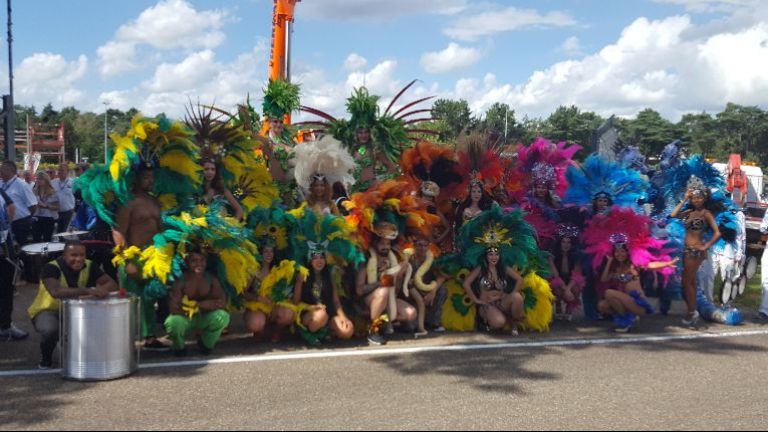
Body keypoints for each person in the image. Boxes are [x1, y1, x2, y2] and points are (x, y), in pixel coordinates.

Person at [29, 240, 117, 368]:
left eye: (82, 255)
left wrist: (104, 289)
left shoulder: (90, 265)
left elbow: (112, 284)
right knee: (50, 330)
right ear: (64, 256)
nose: (79, 259)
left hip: (77, 310)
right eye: (74, 255)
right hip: (48, 310)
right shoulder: (50, 268)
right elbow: (56, 292)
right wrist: (89, 291)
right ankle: (46, 358)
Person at [113, 166, 166, 349]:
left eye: (152, 178)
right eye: (146, 178)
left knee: (149, 298)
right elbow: (118, 232)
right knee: (131, 298)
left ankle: (149, 337)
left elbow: (160, 229)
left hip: (152, 257)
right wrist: (127, 261)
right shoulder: (128, 202)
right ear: (135, 180)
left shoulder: (154, 201)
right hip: (132, 257)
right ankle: (125, 340)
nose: (150, 181)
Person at [671, 180, 721, 326]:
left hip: (695, 252)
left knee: (687, 282)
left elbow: (717, 233)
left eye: (699, 198)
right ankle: (692, 312)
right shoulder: (688, 212)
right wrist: (685, 198)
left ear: (704, 199)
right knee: (690, 282)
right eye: (694, 198)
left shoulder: (706, 213)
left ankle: (691, 313)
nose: (696, 200)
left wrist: (706, 246)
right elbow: (673, 215)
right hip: (687, 251)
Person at [597, 243, 677, 332]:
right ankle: (629, 319)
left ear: (627, 253)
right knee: (602, 305)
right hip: (625, 300)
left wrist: (666, 264)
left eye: (622, 251)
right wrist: (609, 261)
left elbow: (650, 265)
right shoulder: (615, 269)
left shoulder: (633, 265)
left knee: (609, 293)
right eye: (617, 252)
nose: (620, 254)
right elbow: (604, 279)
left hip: (637, 304)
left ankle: (627, 322)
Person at [164, 249, 230, 356]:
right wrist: (200, 305)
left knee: (223, 316)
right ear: (187, 262)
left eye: (202, 260)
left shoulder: (211, 279)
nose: (199, 264)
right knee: (173, 322)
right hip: (184, 318)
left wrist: (195, 306)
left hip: (204, 317)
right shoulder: (180, 280)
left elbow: (222, 302)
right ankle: (179, 347)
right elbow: (173, 308)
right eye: (194, 260)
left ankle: (205, 343)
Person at [356, 233, 415, 345]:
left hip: (389, 299)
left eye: (388, 243)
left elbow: (396, 291)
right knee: (384, 291)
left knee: (411, 313)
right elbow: (359, 290)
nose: (386, 246)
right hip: (368, 299)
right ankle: (374, 330)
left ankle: (386, 324)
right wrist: (381, 282)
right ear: (374, 244)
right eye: (382, 243)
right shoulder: (365, 258)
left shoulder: (393, 258)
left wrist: (398, 275)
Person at [292, 250, 354, 345]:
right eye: (315, 258)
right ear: (310, 260)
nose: (319, 261)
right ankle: (307, 334)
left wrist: (343, 317)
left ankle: (325, 331)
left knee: (347, 330)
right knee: (321, 315)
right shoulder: (303, 276)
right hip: (308, 313)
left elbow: (336, 302)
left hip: (327, 314)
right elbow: (296, 302)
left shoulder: (329, 275)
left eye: (322, 257)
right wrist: (311, 307)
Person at [463, 247, 525, 335]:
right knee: (499, 322)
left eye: (496, 255)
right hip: (487, 304)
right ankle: (488, 321)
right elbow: (466, 283)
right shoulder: (481, 269)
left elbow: (520, 279)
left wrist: (511, 294)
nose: (494, 257)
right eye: (490, 255)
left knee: (517, 297)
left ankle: (513, 323)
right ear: (486, 256)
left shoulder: (504, 268)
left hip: (502, 302)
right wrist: (476, 300)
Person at [405, 235, 447, 335]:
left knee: (442, 289)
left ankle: (434, 322)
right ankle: (417, 320)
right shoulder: (408, 258)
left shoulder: (432, 259)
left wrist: (433, 291)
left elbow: (442, 276)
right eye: (419, 245)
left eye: (425, 245)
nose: (422, 248)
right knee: (410, 327)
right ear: (414, 246)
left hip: (428, 291)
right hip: (413, 294)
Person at [0, 187, 25, 341]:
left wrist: (6, 229)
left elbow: (11, 206)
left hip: (6, 245)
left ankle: (5, 325)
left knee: (6, 289)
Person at [548, 227, 585, 321]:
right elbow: (555, 275)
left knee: (576, 288)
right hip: (558, 280)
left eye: (568, 242)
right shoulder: (552, 255)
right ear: (560, 243)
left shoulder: (577, 255)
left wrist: (568, 289)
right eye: (563, 242)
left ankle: (570, 305)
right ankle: (558, 304)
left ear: (572, 244)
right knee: (557, 289)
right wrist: (565, 289)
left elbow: (576, 275)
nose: (566, 245)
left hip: (571, 281)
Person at [0, 161, 38, 246]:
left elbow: (33, 205)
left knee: (23, 246)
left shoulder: (21, 185)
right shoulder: (1, 183)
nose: (0, 172)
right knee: (7, 247)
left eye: (2, 169)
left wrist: (25, 218)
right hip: (5, 223)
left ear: (11, 171)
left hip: (20, 223)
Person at [32, 171, 60, 243]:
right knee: (36, 239)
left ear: (46, 180)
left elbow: (57, 207)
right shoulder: (34, 191)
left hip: (48, 218)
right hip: (37, 217)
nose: (38, 181)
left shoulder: (52, 192)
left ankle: (47, 254)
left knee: (47, 239)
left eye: (40, 179)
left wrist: (46, 206)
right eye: (37, 179)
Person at [52, 162, 76, 233]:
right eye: (59, 170)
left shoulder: (73, 182)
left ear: (67, 172)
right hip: (56, 212)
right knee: (58, 233)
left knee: (65, 233)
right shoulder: (53, 182)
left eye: (62, 170)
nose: (60, 172)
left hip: (68, 212)